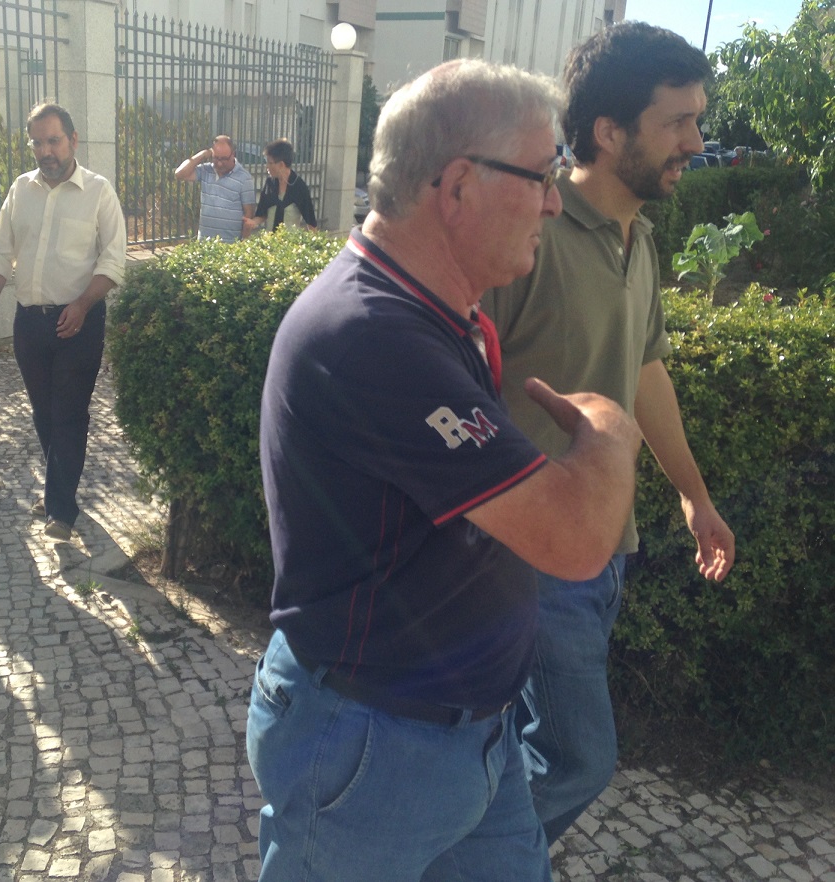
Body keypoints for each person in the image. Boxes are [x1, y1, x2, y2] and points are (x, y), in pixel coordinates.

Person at [248, 59, 643, 881]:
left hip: (474, 732)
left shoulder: (438, 310)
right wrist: (608, 432)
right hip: (372, 746)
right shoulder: (375, 334)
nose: (553, 199)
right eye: (540, 175)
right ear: (457, 186)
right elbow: (574, 542)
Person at [482, 22, 736, 845]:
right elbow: (452, 382)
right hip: (533, 556)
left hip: (607, 549)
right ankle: (476, 863)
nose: (696, 142)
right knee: (576, 758)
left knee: (529, 744)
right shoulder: (531, 231)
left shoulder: (642, 238)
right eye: (678, 123)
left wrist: (695, 498)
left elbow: (645, 374)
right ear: (608, 131)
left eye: (698, 121)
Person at [0, 102, 126, 541]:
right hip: (30, 324)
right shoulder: (21, 190)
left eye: (53, 140)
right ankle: (60, 488)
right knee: (44, 411)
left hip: (80, 320)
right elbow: (1, 251)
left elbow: (114, 261)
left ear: (73, 141)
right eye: (37, 142)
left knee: (69, 413)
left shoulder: (98, 191)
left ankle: (61, 510)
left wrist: (81, 305)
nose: (45, 150)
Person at [173, 135, 256, 241]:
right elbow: (179, 174)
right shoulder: (205, 170)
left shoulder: (244, 178)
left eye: (224, 159)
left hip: (230, 245)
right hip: (205, 243)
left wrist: (244, 242)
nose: (220, 163)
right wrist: (202, 154)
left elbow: (249, 213)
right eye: (216, 158)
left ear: (233, 155)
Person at [245, 138, 317, 233]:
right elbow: (262, 214)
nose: (267, 166)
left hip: (290, 244)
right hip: (271, 243)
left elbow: (311, 223)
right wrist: (252, 222)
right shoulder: (269, 184)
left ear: (281, 165)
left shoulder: (299, 186)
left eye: (270, 163)